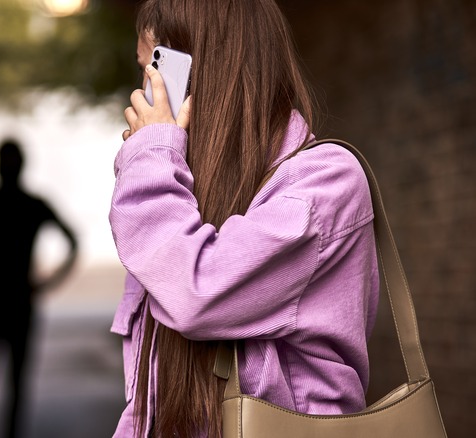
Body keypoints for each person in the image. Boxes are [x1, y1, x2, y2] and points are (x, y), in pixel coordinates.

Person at [109, 1, 379, 437]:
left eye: (155, 70)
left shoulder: (326, 183)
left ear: (200, 74)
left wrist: (152, 157)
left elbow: (195, 292)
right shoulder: (179, 197)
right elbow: (146, 406)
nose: (142, 95)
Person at [0, 139, 78, 438]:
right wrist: (48, 283)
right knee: (15, 385)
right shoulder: (31, 205)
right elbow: (72, 242)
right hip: (19, 302)